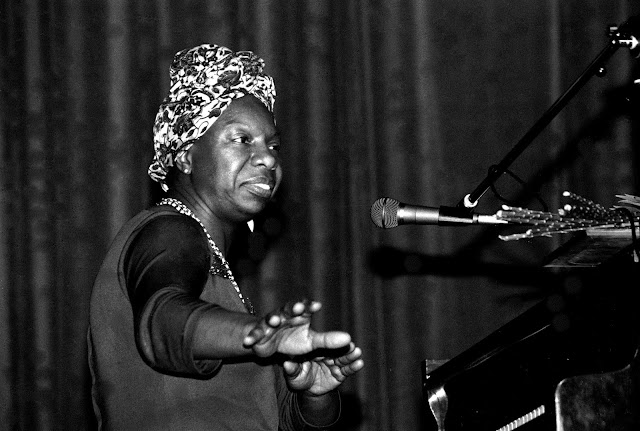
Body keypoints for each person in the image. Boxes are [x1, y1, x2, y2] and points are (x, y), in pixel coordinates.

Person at [88, 43, 364, 431]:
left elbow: (283, 421)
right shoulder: (169, 230)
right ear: (186, 156)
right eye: (242, 139)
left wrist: (313, 392)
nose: (268, 158)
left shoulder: (219, 285)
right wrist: (257, 335)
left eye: (273, 145)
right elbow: (163, 323)